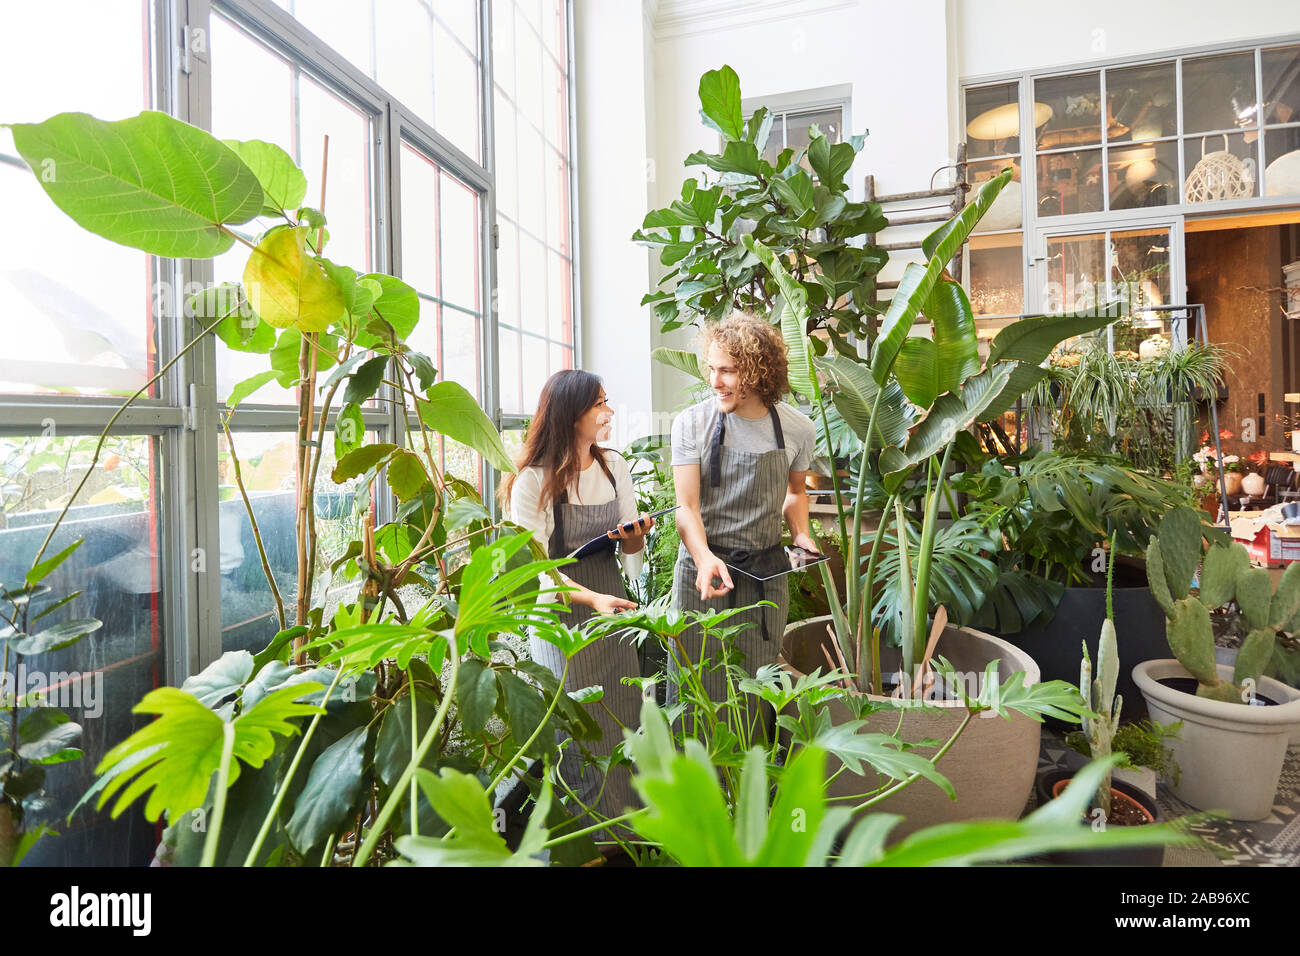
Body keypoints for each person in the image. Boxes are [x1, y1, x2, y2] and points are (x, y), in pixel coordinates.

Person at [504, 369, 655, 830]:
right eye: (599, 405)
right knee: (577, 733)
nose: (608, 412)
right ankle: (581, 842)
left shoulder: (614, 465)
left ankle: (625, 840)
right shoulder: (533, 480)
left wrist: (635, 537)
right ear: (572, 416)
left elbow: (630, 548)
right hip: (559, 613)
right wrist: (592, 599)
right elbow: (536, 570)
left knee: (620, 724)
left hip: (611, 609)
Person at [669, 312, 819, 714]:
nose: (714, 382)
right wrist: (703, 559)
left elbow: (794, 494)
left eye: (728, 371)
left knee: (754, 695)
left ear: (759, 372)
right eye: (712, 369)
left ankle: (753, 778)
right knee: (697, 695)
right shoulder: (691, 423)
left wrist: (801, 534)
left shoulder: (797, 429)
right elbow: (687, 508)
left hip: (763, 578)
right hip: (702, 575)